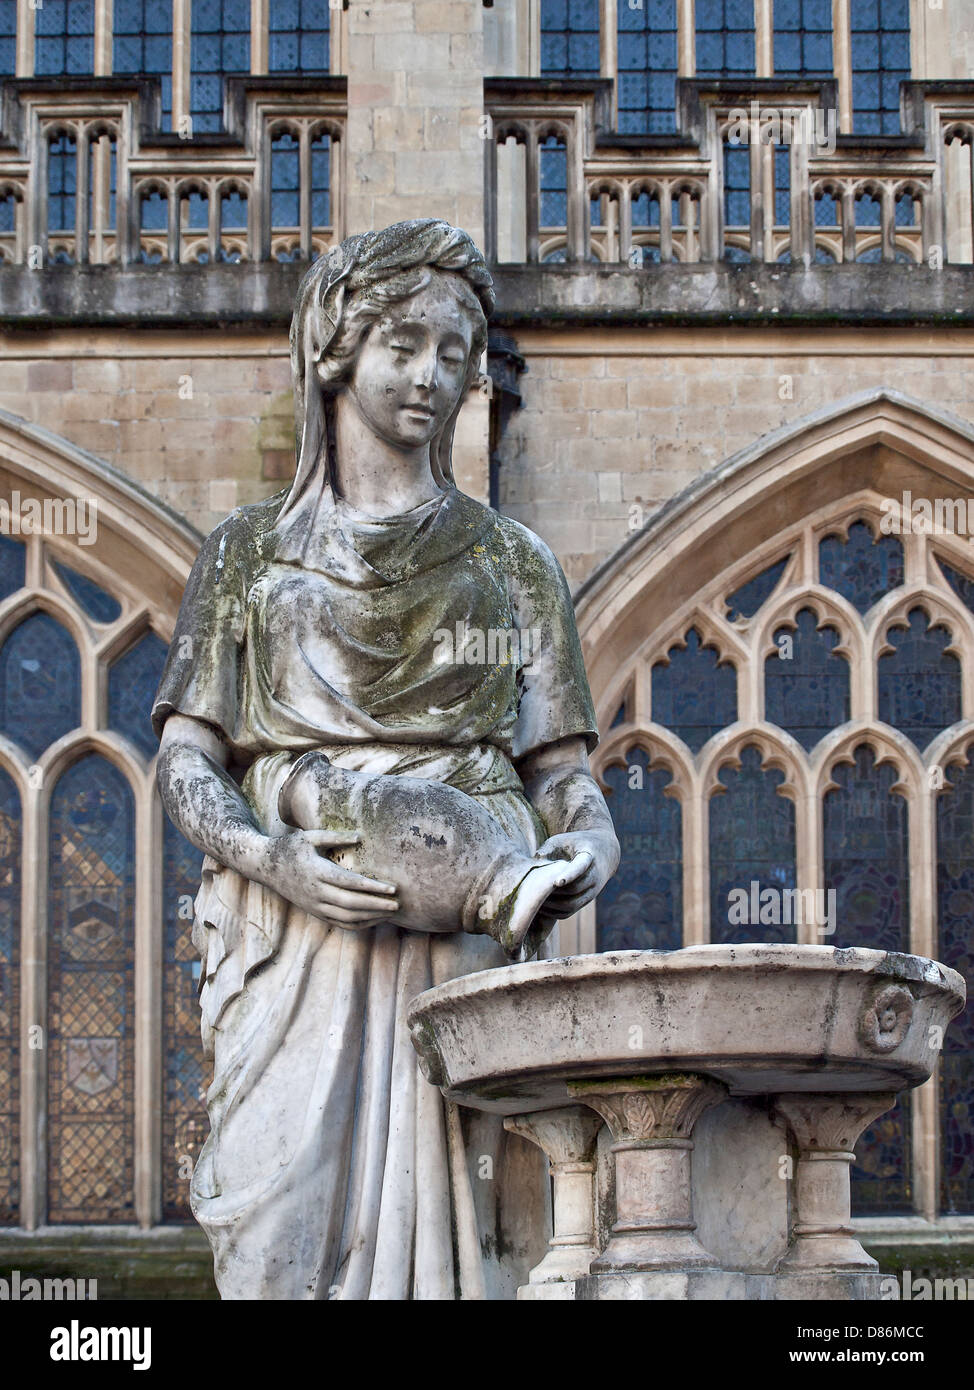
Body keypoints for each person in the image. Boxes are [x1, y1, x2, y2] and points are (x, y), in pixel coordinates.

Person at [153, 218, 619, 1300]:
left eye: (455, 354)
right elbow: (184, 761)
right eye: (402, 345)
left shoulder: (511, 560)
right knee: (277, 1244)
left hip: (467, 931)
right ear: (336, 349)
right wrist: (272, 860)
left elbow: (562, 777)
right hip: (296, 931)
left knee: (482, 1253)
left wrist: (589, 847)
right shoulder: (248, 554)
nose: (431, 378)